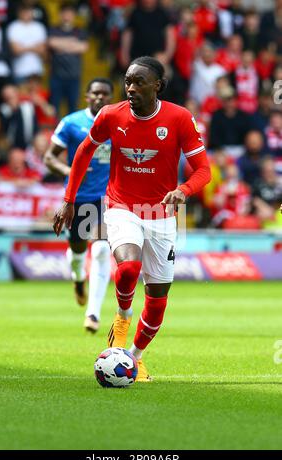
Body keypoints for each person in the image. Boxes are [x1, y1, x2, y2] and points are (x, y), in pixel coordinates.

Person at [52, 56, 211, 381]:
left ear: (158, 86)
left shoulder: (179, 119)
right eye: (128, 81)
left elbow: (204, 170)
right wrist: (69, 199)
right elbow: (83, 152)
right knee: (127, 268)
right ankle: (122, 316)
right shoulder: (111, 115)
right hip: (122, 207)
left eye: (139, 82)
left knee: (157, 301)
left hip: (162, 214)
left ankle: (134, 358)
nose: (131, 88)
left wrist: (184, 189)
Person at [44, 78, 114, 333]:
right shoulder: (72, 123)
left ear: (110, 98)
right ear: (87, 96)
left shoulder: (118, 124)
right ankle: (78, 279)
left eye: (105, 94)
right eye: (95, 93)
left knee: (101, 251)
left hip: (107, 198)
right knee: (77, 253)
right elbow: (49, 156)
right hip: (78, 199)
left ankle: (93, 314)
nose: (100, 98)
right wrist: (70, 170)